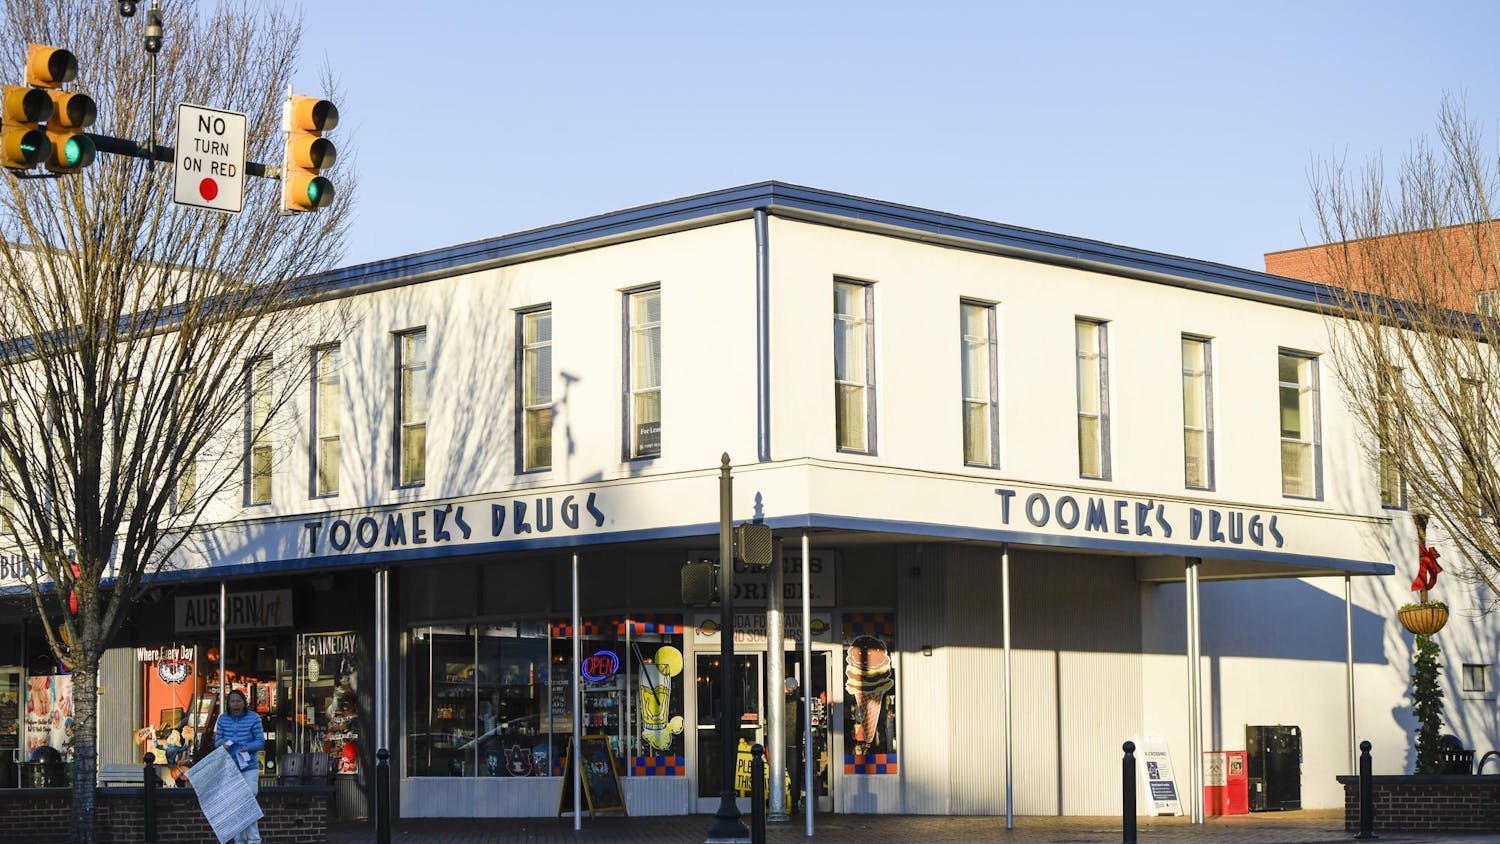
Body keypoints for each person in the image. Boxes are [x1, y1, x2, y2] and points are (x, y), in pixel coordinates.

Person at [216, 690, 265, 844]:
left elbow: (260, 741)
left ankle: (253, 839)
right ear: (228, 704)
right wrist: (221, 744)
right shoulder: (223, 719)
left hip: (249, 765)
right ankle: (243, 839)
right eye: (232, 701)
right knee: (238, 803)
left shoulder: (254, 718)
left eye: (238, 701)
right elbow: (217, 741)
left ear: (244, 702)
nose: (236, 704)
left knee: (249, 795)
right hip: (230, 767)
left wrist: (247, 747)